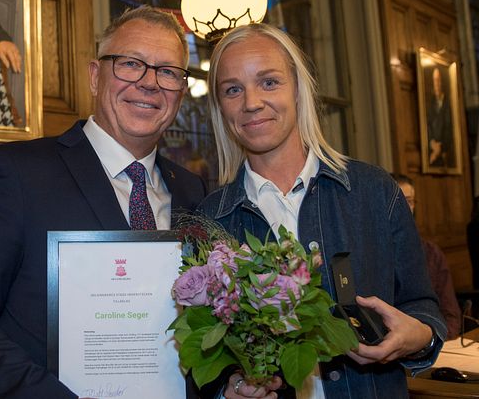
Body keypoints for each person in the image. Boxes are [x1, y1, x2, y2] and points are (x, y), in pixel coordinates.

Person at [0, 6, 206, 398]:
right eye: (130, 64)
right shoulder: (19, 172)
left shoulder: (193, 190)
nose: (149, 83)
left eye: (168, 72)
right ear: (95, 76)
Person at [196, 23, 447, 398]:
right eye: (233, 89)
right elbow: (203, 354)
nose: (251, 102)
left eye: (268, 82)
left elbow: (422, 305)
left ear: (297, 89)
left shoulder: (374, 191)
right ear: (220, 106)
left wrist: (420, 335)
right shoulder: (210, 220)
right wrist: (229, 389)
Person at [393, 174, 462, 340]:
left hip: (430, 345)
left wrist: (432, 342)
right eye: (398, 201)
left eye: (409, 201)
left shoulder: (431, 253)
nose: (405, 208)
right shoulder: (369, 255)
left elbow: (450, 314)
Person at [426, 67, 454, 167]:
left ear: (443, 82)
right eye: (434, 80)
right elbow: (428, 125)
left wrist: (439, 149)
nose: (436, 84)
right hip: (433, 147)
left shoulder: (449, 103)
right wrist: (432, 142)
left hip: (445, 150)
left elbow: (449, 128)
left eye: (438, 80)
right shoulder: (430, 103)